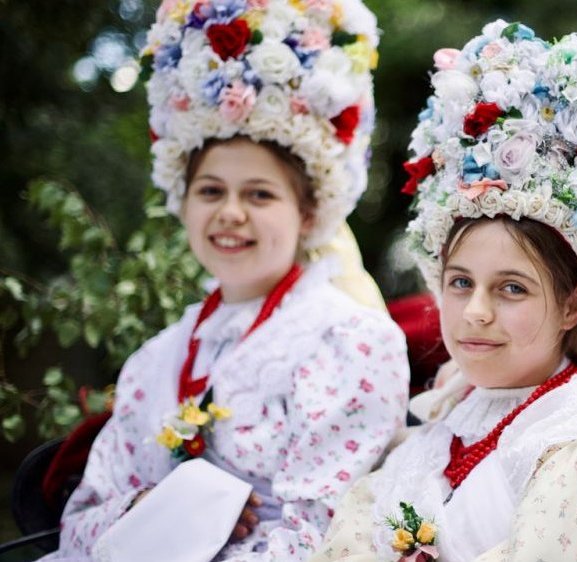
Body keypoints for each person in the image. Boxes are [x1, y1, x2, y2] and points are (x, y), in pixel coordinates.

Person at [41, 1, 410, 560]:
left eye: (259, 195)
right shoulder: (154, 360)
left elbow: (325, 534)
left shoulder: (352, 342)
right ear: (182, 204)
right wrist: (157, 512)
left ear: (308, 215)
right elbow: (79, 522)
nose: (230, 214)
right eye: (211, 191)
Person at [308, 19, 577, 562]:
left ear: (574, 305)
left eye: (512, 289)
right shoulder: (440, 429)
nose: (475, 313)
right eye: (460, 283)